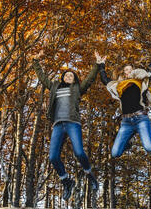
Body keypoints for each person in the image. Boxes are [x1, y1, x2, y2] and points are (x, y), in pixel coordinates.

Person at [32, 52, 100, 201]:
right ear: (62, 77)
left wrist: (98, 64)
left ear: (74, 80)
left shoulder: (77, 89)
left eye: (72, 76)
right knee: (53, 157)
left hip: (72, 123)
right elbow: (43, 78)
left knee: (80, 153)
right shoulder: (54, 86)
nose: (69, 77)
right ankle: (66, 181)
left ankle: (90, 176)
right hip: (58, 124)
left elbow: (89, 80)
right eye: (66, 75)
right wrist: (36, 61)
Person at [95, 46, 151, 159]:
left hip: (140, 119)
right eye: (126, 70)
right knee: (115, 153)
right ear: (124, 74)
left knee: (149, 147)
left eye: (130, 69)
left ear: (133, 71)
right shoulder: (118, 86)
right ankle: (128, 141)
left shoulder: (139, 81)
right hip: (126, 122)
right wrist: (101, 64)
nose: (129, 71)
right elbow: (105, 80)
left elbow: (149, 70)